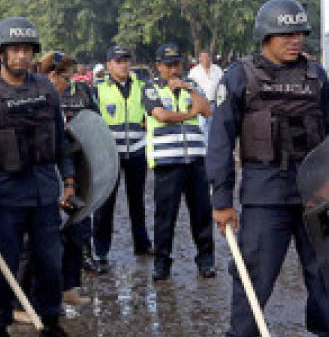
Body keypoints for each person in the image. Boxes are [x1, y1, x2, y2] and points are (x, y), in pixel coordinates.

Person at [208, 0, 329, 337]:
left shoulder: (316, 76)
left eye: (300, 34)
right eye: (287, 34)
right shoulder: (239, 77)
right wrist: (222, 199)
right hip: (265, 191)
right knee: (254, 276)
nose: (296, 40)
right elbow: (220, 142)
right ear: (266, 36)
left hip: (315, 194)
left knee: (327, 273)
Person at [0, 17, 83, 337]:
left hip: (42, 190)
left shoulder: (45, 90)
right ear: (1, 53)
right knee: (1, 268)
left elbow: (60, 142)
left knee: (50, 264)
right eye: (15, 50)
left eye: (27, 50)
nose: (22, 56)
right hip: (3, 194)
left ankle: (51, 328)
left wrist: (68, 181)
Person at [143, 42, 216, 281]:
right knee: (165, 216)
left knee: (201, 213)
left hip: (195, 159)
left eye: (177, 64)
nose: (174, 69)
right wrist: (190, 113)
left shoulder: (191, 86)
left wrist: (188, 90)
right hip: (167, 162)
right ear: (158, 67)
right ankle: (162, 263)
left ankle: (206, 260)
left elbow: (207, 110)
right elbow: (162, 116)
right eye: (169, 65)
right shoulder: (151, 89)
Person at [39, 50, 97, 305]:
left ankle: (68, 288)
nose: (69, 84)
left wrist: (70, 182)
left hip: (64, 174)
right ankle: (39, 297)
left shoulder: (56, 103)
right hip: (42, 180)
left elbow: (63, 146)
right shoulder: (37, 101)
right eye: (66, 78)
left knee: (74, 232)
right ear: (52, 76)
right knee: (45, 243)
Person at [92, 44, 153, 270]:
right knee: (105, 204)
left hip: (137, 150)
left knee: (137, 202)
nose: (124, 65)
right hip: (110, 154)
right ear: (109, 65)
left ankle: (142, 244)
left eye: (126, 60)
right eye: (119, 61)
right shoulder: (98, 88)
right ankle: (100, 251)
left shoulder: (142, 85)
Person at [188, 49, 223, 140]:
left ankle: (211, 150)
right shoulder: (194, 71)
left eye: (207, 57)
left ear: (210, 58)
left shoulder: (217, 70)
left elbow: (222, 86)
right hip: (199, 105)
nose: (205, 59)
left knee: (213, 128)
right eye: (202, 57)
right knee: (202, 127)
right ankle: (205, 151)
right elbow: (189, 88)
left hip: (214, 104)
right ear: (199, 58)